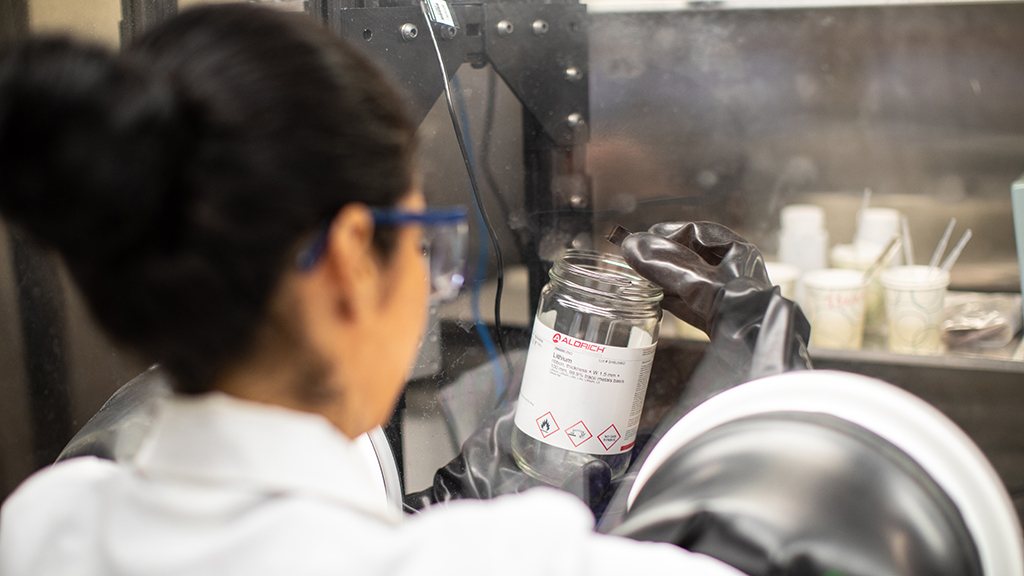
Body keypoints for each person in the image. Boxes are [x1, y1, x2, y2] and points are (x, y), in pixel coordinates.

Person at [0, 5, 746, 575]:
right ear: (353, 260)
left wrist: (453, 504)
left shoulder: (39, 526)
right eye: (424, 243)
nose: (429, 278)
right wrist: (762, 374)